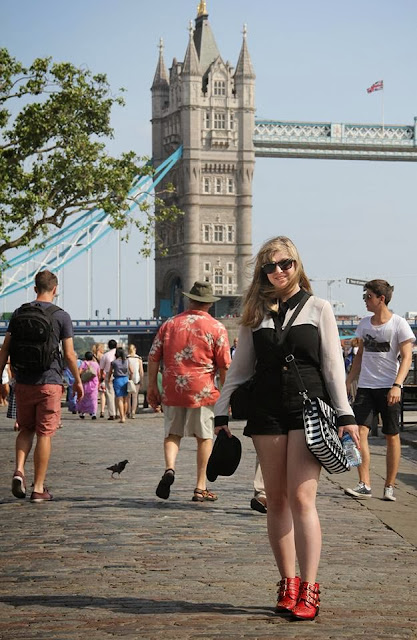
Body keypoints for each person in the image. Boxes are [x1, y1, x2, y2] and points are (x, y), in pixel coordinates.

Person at [214, 236, 359, 620]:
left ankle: (309, 588)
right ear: (262, 272)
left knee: (301, 498)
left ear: (297, 265)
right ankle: (287, 583)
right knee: (275, 499)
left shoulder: (318, 308)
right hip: (267, 411)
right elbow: (240, 367)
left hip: (308, 409)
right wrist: (220, 411)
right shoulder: (255, 314)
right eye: (270, 266)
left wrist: (346, 416)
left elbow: (333, 366)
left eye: (285, 264)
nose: (278, 271)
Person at [0, 270, 83, 503]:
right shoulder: (62, 316)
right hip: (50, 382)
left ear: (35, 288)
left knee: (26, 429)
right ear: (55, 289)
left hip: (23, 382)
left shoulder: (19, 313)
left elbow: (5, 349)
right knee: (45, 434)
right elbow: (69, 354)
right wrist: (77, 381)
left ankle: (19, 470)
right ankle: (38, 488)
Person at [147, 281, 231, 503]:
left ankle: (170, 468)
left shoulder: (169, 324)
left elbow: (153, 357)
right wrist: (227, 396)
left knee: (172, 434)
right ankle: (200, 487)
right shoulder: (216, 328)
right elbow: (225, 365)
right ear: (209, 304)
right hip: (202, 391)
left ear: (189, 299)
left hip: (172, 388)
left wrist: (153, 386)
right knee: (204, 437)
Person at [345, 280, 415, 502]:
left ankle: (389, 485)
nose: (365, 301)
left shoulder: (398, 324)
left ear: (381, 299)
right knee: (359, 433)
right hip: (366, 386)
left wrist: (397, 385)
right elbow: (359, 355)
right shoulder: (364, 324)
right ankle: (364, 483)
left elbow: (407, 357)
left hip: (388, 387)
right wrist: (348, 381)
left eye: (368, 296)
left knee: (391, 435)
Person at [108, 347, 132, 424]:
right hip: (125, 379)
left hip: (118, 380)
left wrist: (108, 380)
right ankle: (124, 415)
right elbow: (132, 371)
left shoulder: (114, 362)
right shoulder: (127, 361)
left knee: (120, 399)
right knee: (125, 399)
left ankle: (122, 417)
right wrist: (130, 379)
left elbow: (110, 372)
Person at [76, 351, 100, 419]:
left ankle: (83, 412)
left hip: (85, 382)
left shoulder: (83, 363)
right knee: (93, 398)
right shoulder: (96, 364)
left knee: (84, 398)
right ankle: (93, 412)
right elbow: (98, 374)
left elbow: (79, 372)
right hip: (94, 382)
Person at [99, 339, 117, 420]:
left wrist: (101, 377)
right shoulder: (121, 354)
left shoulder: (106, 355)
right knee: (119, 394)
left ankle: (112, 414)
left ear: (109, 346)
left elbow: (101, 368)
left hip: (108, 375)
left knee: (110, 394)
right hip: (120, 375)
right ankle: (120, 412)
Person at [127, 343, 144, 418]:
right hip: (136, 378)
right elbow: (141, 371)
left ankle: (128, 411)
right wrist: (142, 380)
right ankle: (133, 412)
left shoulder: (127, 358)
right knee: (135, 396)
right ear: (135, 349)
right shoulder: (139, 358)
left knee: (128, 396)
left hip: (128, 378)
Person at [92, 342, 106, 418]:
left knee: (94, 395)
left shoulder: (93, 356)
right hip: (102, 377)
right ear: (100, 349)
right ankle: (102, 411)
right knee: (102, 394)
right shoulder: (103, 356)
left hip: (94, 377)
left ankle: (93, 410)